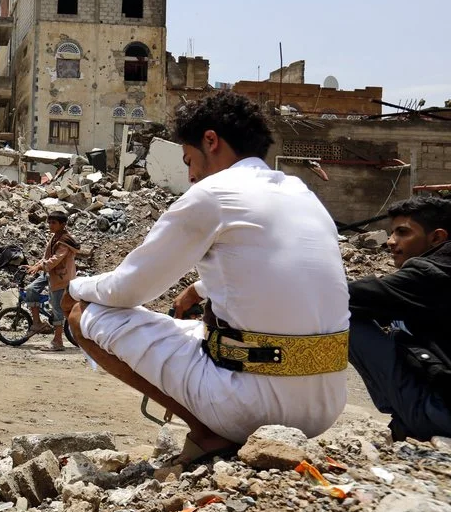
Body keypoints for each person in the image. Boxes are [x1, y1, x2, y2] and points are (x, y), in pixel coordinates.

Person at [65, 92, 350, 464]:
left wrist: (74, 287)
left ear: (210, 141)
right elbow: (268, 270)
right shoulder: (303, 193)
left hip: (251, 407)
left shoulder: (211, 195)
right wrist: (198, 290)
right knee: (200, 330)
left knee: (84, 316)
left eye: (188, 160)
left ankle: (207, 433)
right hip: (326, 404)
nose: (190, 175)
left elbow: (128, 289)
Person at [347, 195, 451, 440]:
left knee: (342, 318)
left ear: (437, 238)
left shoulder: (429, 274)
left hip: (441, 414)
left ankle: (413, 420)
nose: (391, 242)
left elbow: (345, 297)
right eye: (392, 233)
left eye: (403, 233)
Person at [24, 209, 79, 351]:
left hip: (61, 277)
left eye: (53, 222)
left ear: (63, 224)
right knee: (31, 290)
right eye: (49, 222)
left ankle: (58, 341)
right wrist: (35, 266)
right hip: (50, 273)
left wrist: (41, 267)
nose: (50, 225)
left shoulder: (65, 241)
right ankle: (37, 323)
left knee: (57, 308)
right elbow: (47, 257)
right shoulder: (54, 237)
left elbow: (55, 260)